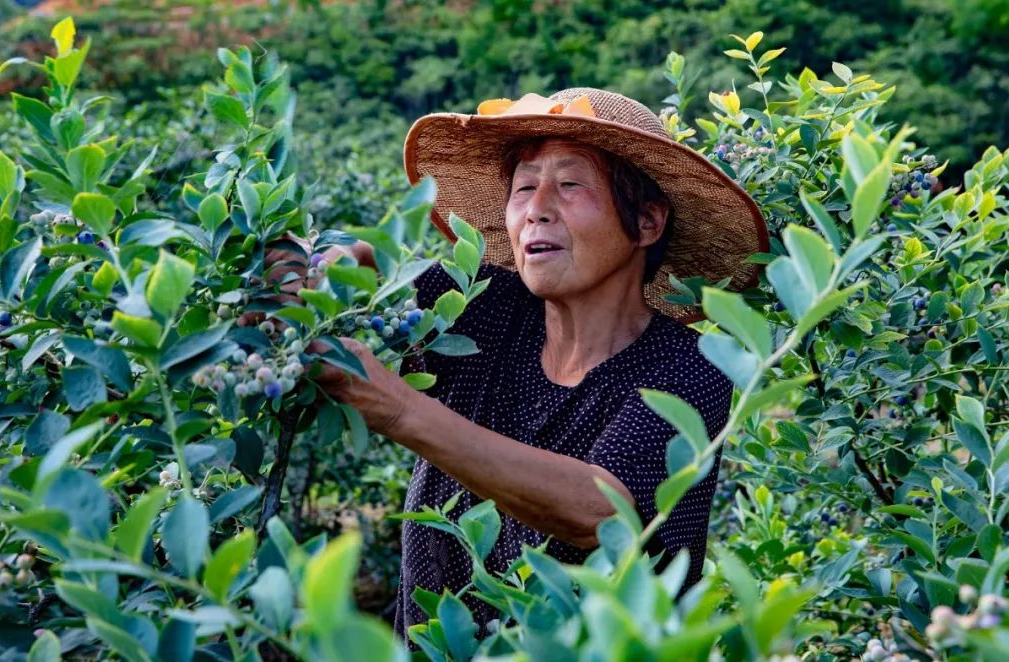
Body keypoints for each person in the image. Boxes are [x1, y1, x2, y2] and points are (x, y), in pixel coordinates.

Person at [256, 88, 768, 638]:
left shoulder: (688, 369)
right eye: (524, 186)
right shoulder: (486, 306)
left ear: (646, 222)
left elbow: (601, 513)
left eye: (570, 185)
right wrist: (313, 262)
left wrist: (397, 410)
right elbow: (374, 267)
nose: (537, 209)